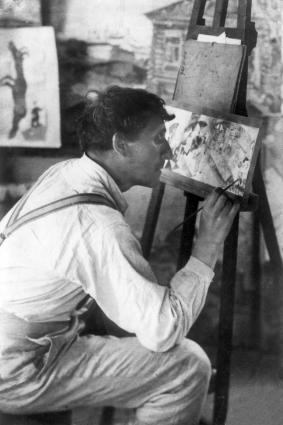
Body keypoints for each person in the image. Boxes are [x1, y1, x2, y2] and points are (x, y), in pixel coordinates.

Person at [0, 86, 239, 425]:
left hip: (18, 340)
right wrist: (207, 246)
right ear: (120, 145)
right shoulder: (97, 226)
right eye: (158, 139)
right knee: (188, 366)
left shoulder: (67, 172)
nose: (170, 152)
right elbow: (163, 330)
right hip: (19, 369)